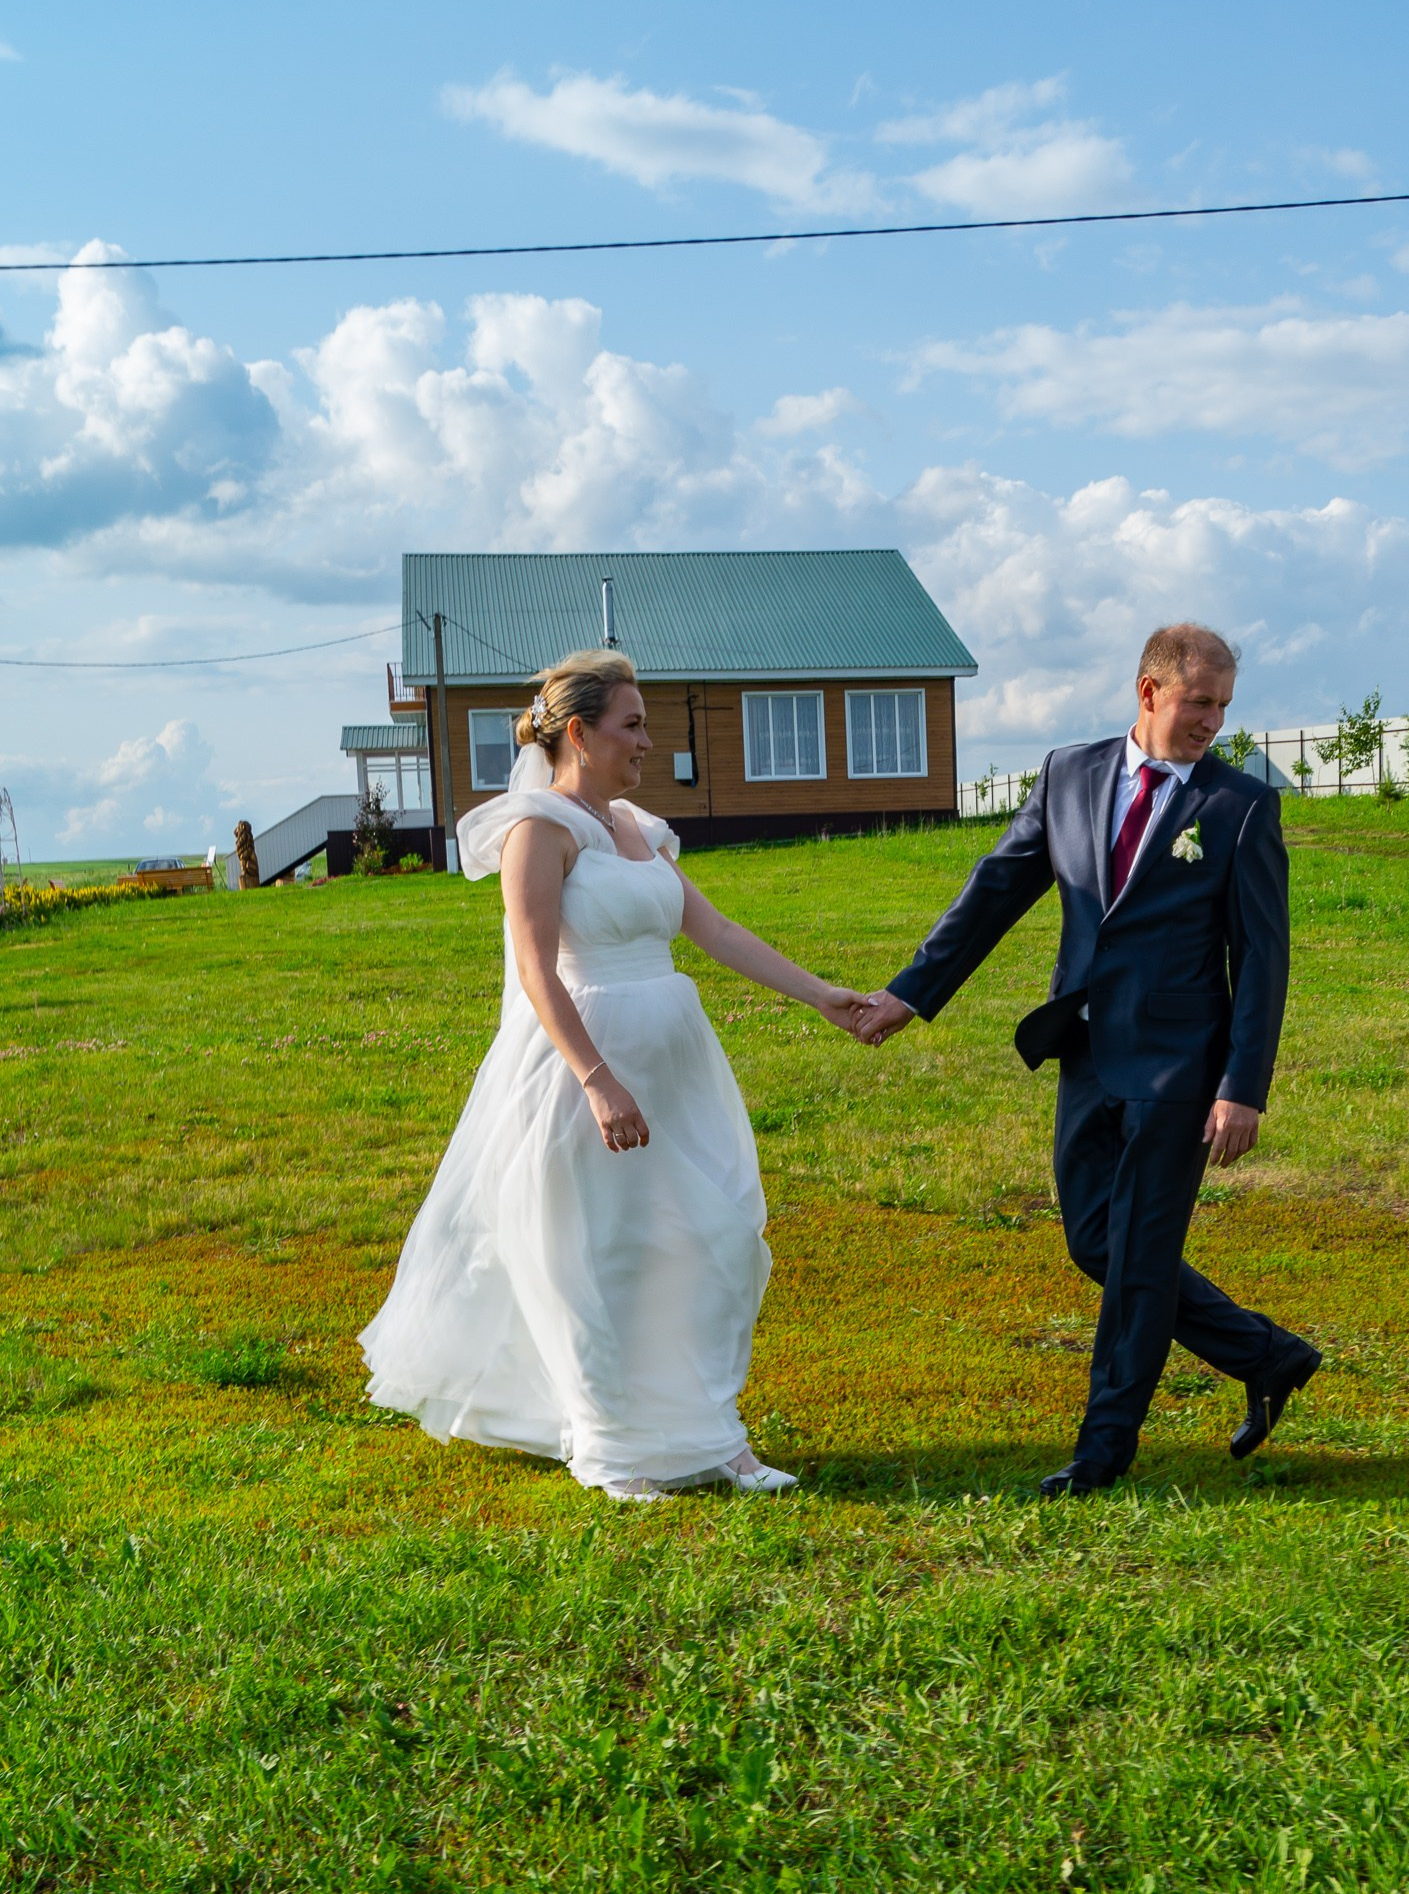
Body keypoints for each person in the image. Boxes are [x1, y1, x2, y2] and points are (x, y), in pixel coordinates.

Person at [360, 648, 870, 1501]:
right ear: (577, 733)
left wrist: (822, 997)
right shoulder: (538, 830)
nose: (646, 740)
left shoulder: (637, 827)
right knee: (595, 1254)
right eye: (631, 725)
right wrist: (596, 1078)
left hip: (674, 1064)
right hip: (581, 1072)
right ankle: (611, 1448)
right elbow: (535, 969)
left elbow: (715, 931)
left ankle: (717, 1438)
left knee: (708, 1240)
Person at [853, 623, 1320, 1494]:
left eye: (1223, 705)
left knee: (1140, 1257)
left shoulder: (1240, 806)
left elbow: (1262, 960)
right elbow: (996, 887)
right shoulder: (1070, 772)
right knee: (1096, 1241)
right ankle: (1268, 1354)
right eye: (1198, 702)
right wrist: (910, 993)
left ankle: (1103, 1452)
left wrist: (1242, 1086)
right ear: (1148, 692)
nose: (1213, 722)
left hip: (1181, 1067)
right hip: (1085, 1053)